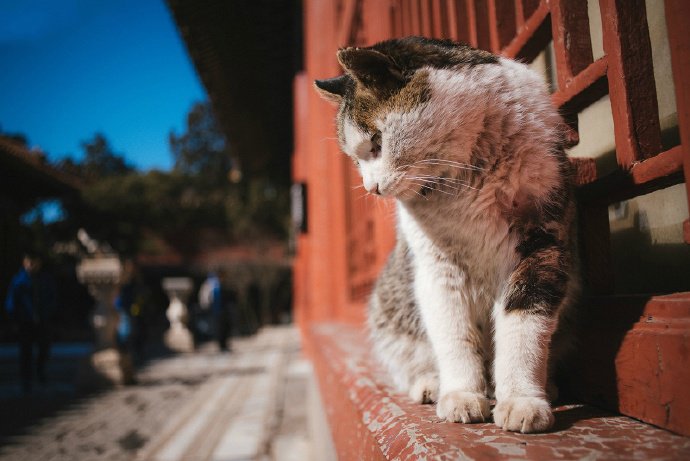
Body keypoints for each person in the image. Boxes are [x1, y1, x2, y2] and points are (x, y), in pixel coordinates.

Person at [4, 252, 57, 393]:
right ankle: (26, 379)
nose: (32, 265)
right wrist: (15, 319)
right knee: (25, 352)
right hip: (25, 322)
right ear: (24, 262)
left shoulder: (45, 280)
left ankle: (40, 372)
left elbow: (52, 299)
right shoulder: (19, 280)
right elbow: (11, 302)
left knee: (44, 349)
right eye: (29, 261)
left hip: (42, 320)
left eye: (34, 261)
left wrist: (48, 314)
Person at [199, 271, 231, 352]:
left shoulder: (220, 284)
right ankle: (221, 345)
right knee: (219, 329)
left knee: (224, 328)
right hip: (215, 310)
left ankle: (224, 344)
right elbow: (205, 298)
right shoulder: (211, 285)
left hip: (222, 310)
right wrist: (206, 307)